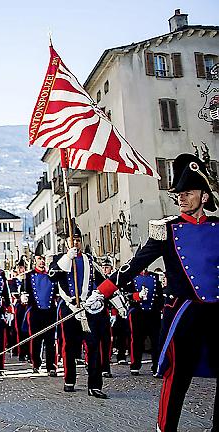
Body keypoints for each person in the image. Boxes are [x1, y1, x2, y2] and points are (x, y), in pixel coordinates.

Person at [87, 153, 219, 431]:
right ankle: (165, 428)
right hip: (184, 314)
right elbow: (135, 265)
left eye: (188, 193)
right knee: (178, 376)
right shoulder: (166, 229)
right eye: (179, 194)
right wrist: (103, 291)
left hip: (217, 313)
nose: (181, 198)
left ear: (204, 197)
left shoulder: (218, 227)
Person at [50, 224, 107, 398]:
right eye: (71, 240)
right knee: (69, 346)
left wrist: (100, 296)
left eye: (77, 240)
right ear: (66, 242)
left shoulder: (89, 260)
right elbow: (52, 276)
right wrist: (67, 258)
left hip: (88, 309)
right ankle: (69, 380)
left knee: (93, 346)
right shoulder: (59, 258)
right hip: (69, 309)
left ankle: (95, 385)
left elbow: (102, 281)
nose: (75, 243)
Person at [22, 241, 58, 376]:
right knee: (36, 340)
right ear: (35, 260)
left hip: (50, 311)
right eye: (39, 259)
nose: (41, 262)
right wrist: (23, 297)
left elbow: (56, 293)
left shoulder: (52, 275)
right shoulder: (28, 275)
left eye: (43, 259)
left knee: (50, 341)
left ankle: (51, 366)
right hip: (35, 311)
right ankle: (36, 364)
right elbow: (24, 292)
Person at [127, 268, 163, 376]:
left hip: (153, 313)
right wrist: (137, 296)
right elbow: (125, 294)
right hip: (138, 312)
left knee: (156, 340)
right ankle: (135, 365)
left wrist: (159, 308)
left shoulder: (154, 277)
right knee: (137, 340)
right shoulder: (131, 277)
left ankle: (156, 365)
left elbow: (160, 295)